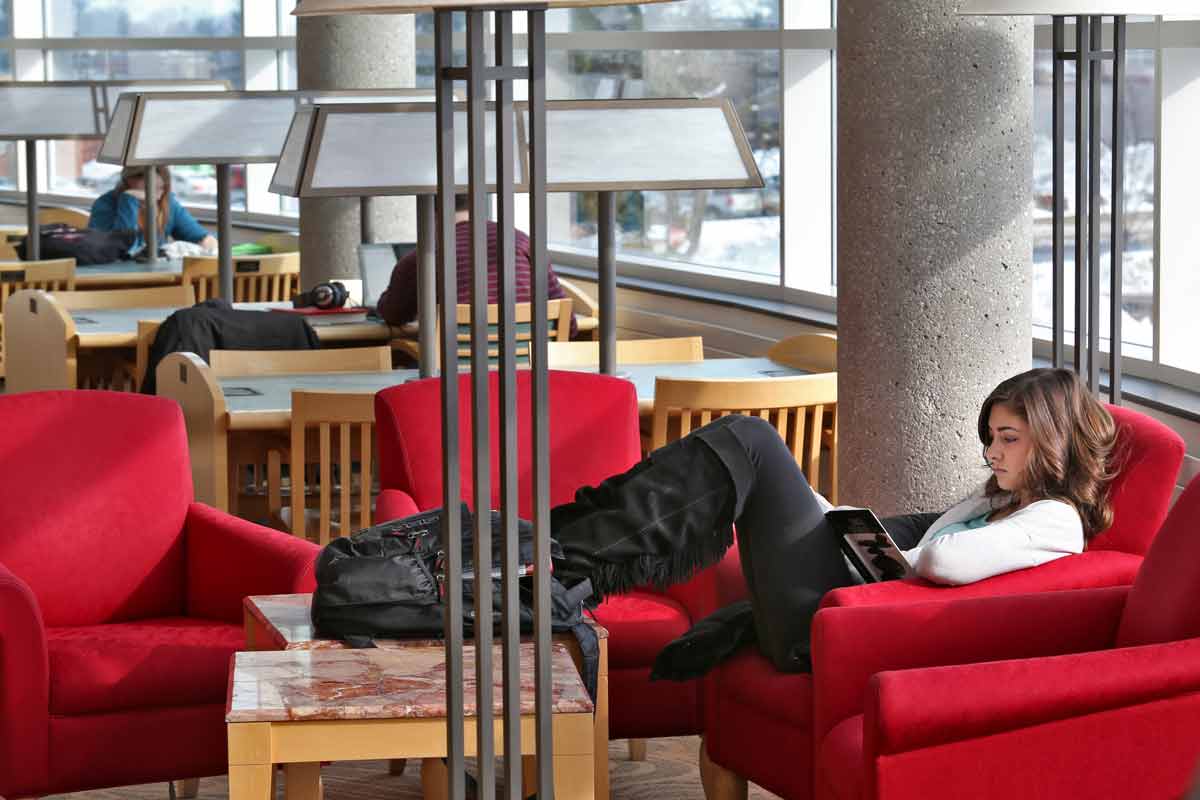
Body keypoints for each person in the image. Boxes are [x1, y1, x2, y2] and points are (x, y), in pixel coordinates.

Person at [546, 367, 1118, 678]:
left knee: (750, 440)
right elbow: (904, 535)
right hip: (838, 610)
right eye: (991, 438)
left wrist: (897, 561)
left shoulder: (1056, 521)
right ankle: (563, 546)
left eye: (1009, 440)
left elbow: (943, 560)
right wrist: (828, 514)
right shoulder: (997, 503)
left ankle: (557, 550)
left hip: (841, 632)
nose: (993, 454)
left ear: (1054, 442)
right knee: (747, 456)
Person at [376, 193, 576, 337]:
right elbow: (570, 324)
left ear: (431, 214)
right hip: (529, 377)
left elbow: (393, 314)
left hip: (456, 380)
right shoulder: (524, 243)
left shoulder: (423, 258)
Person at [88, 165, 217, 257]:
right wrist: (128, 200)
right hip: (114, 280)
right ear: (130, 180)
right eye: (150, 188)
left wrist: (207, 242)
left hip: (157, 279)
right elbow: (117, 249)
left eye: (161, 188)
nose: (158, 196)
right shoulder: (105, 205)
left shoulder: (167, 203)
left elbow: (202, 238)